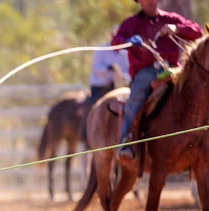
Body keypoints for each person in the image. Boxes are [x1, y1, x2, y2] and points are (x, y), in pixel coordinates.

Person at [111, 0, 203, 161]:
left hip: (174, 69)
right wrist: (131, 41)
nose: (150, 1)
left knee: (199, 92)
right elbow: (116, 42)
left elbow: (197, 31)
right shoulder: (131, 23)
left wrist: (177, 29)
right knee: (135, 99)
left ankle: (200, 141)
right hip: (146, 71)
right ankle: (126, 143)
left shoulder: (171, 19)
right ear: (139, 2)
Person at [81, 28, 131, 143]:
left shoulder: (125, 53)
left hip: (114, 87)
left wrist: (121, 74)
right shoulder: (101, 49)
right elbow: (95, 68)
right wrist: (108, 68)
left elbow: (128, 72)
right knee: (92, 107)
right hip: (99, 86)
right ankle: (86, 135)